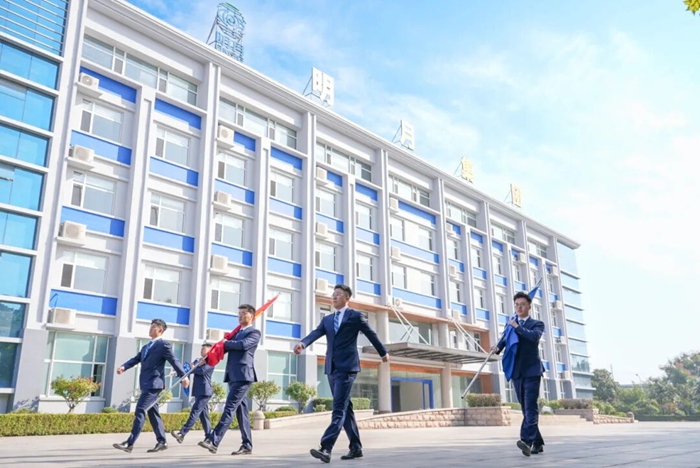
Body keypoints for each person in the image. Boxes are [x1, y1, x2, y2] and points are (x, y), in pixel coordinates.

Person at [294, 284, 389, 464]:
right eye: (333, 294)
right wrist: (303, 344)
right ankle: (356, 447)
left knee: (338, 408)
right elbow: (316, 333)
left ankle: (326, 447)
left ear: (347, 298)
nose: (334, 297)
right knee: (346, 408)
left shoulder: (355, 316)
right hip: (331, 367)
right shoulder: (328, 319)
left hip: (347, 367)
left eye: (338, 294)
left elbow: (370, 333)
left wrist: (383, 352)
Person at [113, 318, 189, 453]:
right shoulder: (146, 347)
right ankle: (162, 441)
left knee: (140, 410)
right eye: (150, 326)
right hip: (146, 384)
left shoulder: (164, 345)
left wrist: (184, 376)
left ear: (160, 330)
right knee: (153, 413)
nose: (150, 328)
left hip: (154, 384)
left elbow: (174, 360)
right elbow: (136, 359)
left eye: (153, 327)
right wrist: (124, 367)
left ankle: (129, 443)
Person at [198, 304, 259, 455]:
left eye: (244, 313)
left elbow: (243, 345)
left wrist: (226, 343)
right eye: (239, 313)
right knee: (241, 412)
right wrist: (208, 357)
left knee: (229, 407)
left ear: (251, 316)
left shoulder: (254, 332)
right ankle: (247, 445)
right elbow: (222, 348)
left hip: (243, 375)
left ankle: (214, 440)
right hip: (233, 375)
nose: (240, 316)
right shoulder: (236, 334)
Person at [492, 291, 546, 457]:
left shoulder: (537, 324)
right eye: (516, 305)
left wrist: (517, 327)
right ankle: (537, 442)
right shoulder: (510, 325)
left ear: (529, 306)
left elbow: (533, 337)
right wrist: (497, 348)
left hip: (532, 371)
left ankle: (526, 441)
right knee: (525, 409)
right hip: (517, 372)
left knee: (530, 407)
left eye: (522, 304)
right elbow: (504, 340)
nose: (519, 307)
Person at [171, 343, 215, 444]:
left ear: (209, 351)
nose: (201, 351)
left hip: (205, 392)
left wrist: (194, 367)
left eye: (203, 349)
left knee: (195, 412)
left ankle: (182, 433)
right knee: (204, 415)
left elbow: (201, 371)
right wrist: (177, 373)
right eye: (201, 349)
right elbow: (188, 371)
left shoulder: (211, 362)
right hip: (199, 391)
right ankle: (209, 437)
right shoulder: (198, 361)